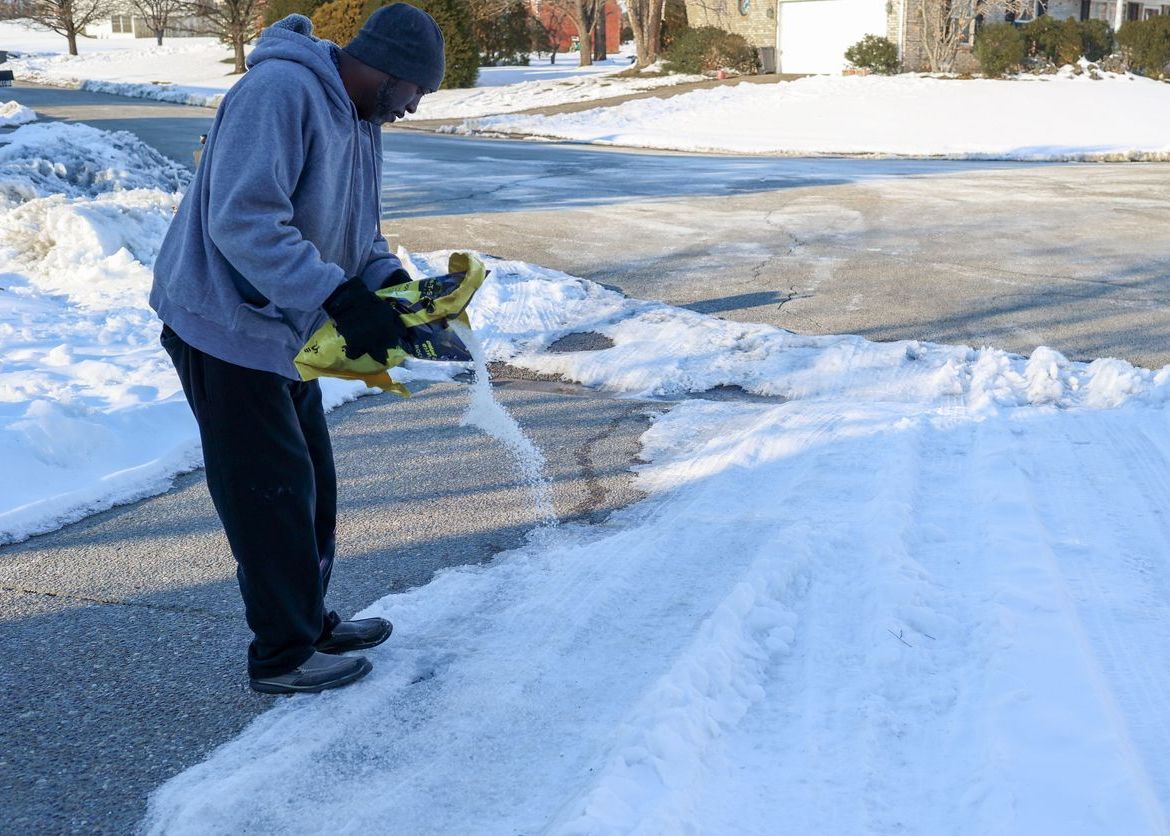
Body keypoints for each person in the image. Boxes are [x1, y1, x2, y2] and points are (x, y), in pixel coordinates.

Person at [150, 6, 445, 694]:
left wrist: (389, 288)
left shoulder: (362, 119)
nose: (415, 107)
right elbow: (243, 221)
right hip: (221, 322)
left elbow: (359, 233)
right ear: (387, 71)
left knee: (309, 481)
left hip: (285, 326)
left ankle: (307, 621)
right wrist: (337, 298)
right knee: (269, 493)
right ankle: (282, 655)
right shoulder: (279, 92)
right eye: (417, 92)